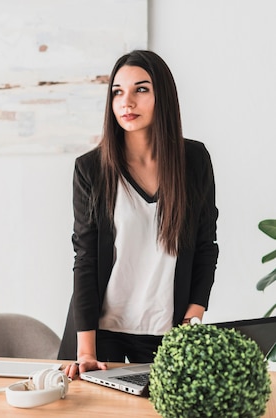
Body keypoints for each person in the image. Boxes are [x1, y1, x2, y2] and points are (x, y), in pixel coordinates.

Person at [58, 50, 219, 380]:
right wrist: (86, 352)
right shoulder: (91, 169)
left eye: (140, 90)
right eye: (117, 91)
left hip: (167, 331)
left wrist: (193, 318)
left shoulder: (194, 160)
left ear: (163, 95)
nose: (126, 102)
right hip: (101, 333)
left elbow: (206, 245)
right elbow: (86, 259)